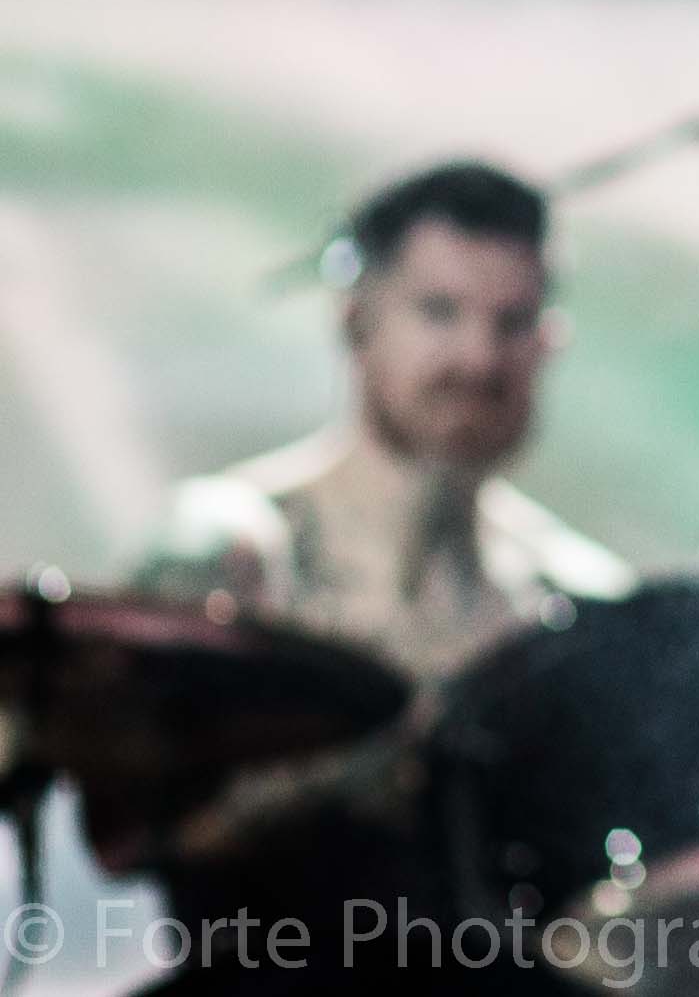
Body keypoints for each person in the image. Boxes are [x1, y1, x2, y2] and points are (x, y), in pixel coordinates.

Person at [115, 161, 631, 985]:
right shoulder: (235, 551)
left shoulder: (577, 598)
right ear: (357, 320)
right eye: (439, 311)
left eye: (513, 321)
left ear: (547, 342)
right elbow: (138, 823)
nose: (478, 356)